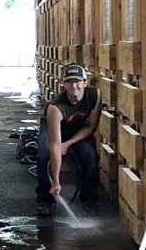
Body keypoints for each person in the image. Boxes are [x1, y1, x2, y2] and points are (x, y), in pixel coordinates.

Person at [36, 63, 101, 217]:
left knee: (90, 156)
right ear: (63, 85)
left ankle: (89, 200)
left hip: (78, 129)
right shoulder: (55, 107)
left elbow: (90, 128)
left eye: (78, 81)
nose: (74, 86)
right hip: (54, 127)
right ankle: (45, 199)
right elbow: (55, 145)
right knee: (43, 156)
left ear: (85, 82)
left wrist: (69, 143)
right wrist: (56, 182)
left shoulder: (94, 95)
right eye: (70, 82)